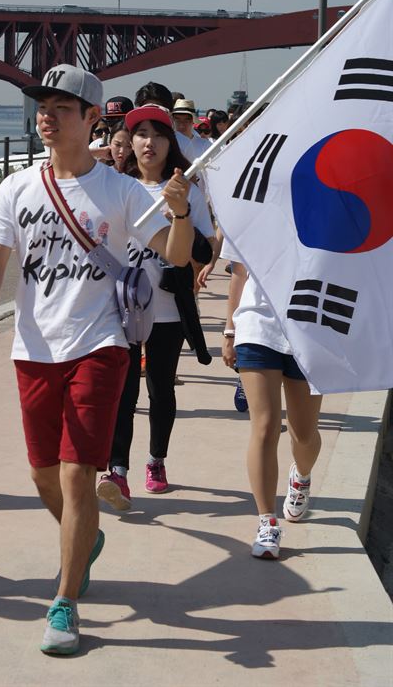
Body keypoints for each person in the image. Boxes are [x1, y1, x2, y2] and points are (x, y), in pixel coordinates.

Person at [0, 64, 193, 656]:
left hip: (100, 345)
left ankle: (64, 601)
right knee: (44, 474)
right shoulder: (17, 187)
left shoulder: (122, 191)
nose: (47, 115)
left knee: (75, 474)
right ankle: (85, 537)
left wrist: (180, 210)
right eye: (43, 105)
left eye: (62, 107)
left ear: (93, 118)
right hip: (33, 348)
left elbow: (174, 252)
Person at [97, 104, 213, 509]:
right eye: (140, 134)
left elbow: (203, 250)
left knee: (161, 389)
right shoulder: (114, 185)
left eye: (158, 134)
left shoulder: (187, 189)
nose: (149, 142)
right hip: (120, 307)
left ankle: (156, 460)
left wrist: (179, 215)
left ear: (170, 142)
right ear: (130, 142)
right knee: (121, 393)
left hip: (166, 309)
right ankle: (118, 470)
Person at [221, 239, 322, 559]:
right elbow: (238, 270)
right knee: (264, 426)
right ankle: (267, 521)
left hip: (312, 325)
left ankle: (301, 476)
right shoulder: (255, 198)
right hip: (257, 324)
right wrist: (229, 329)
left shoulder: (331, 202)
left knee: (303, 434)